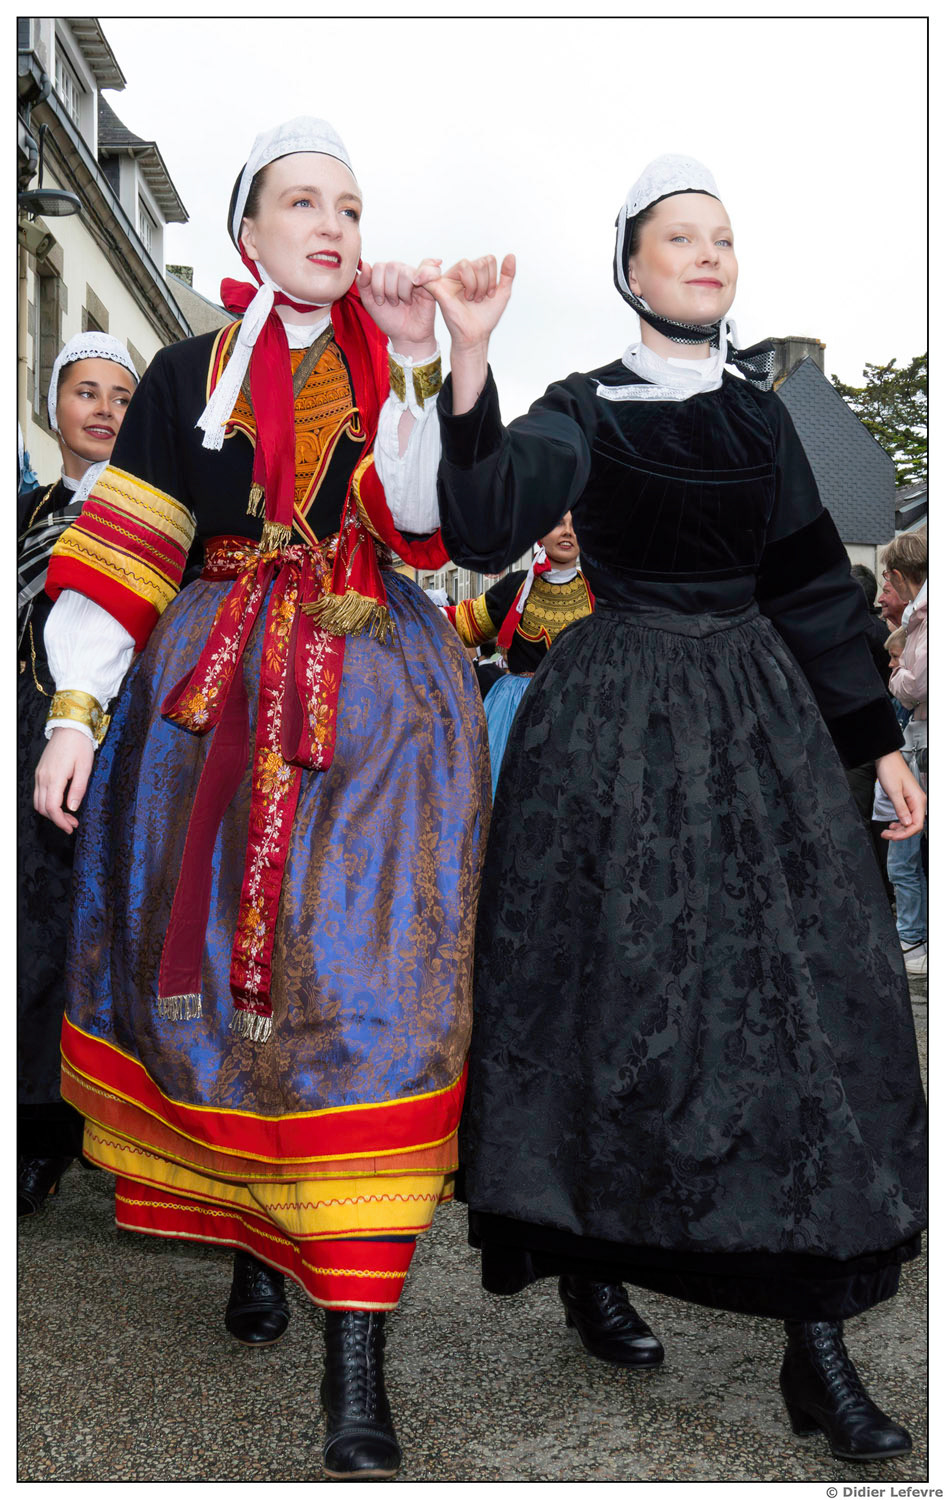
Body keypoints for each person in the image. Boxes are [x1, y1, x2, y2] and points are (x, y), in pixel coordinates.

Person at [426, 155, 927, 1463]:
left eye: (722, 237)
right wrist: (468, 362)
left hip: (758, 734)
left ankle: (816, 1347)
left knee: (802, 1015)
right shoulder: (581, 407)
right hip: (610, 738)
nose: (708, 254)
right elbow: (483, 517)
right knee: (609, 1003)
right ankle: (593, 1261)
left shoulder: (760, 422)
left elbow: (811, 587)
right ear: (630, 268)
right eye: (680, 237)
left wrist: (876, 746)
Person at [33, 118, 488, 1481]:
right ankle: (250, 1227)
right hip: (211, 704)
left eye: (349, 204)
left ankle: (356, 1359)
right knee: (236, 985)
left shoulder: (391, 357)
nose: (332, 223)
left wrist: (424, 357)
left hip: (377, 713)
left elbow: (434, 523)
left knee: (370, 996)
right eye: (302, 202)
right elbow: (127, 545)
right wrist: (74, 711)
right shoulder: (186, 373)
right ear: (248, 232)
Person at [17, 333, 139, 1217]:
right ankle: (31, 1121)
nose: (103, 409)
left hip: (116, 736)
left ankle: (79, 1128)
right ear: (53, 402)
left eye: (123, 397)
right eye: (86, 391)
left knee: (90, 930)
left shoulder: (150, 513)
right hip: (23, 730)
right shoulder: (25, 512)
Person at [445, 511, 593, 791]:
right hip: (516, 714)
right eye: (558, 523)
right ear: (539, 532)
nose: (568, 532)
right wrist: (411, 608)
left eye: (576, 525)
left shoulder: (596, 594)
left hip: (578, 715)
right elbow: (465, 623)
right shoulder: (515, 587)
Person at [873, 626, 926, 975]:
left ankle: (912, 938)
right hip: (906, 776)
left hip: (913, 774)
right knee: (902, 865)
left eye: (896, 658)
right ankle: (912, 936)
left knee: (903, 865)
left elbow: (914, 687)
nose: (891, 666)